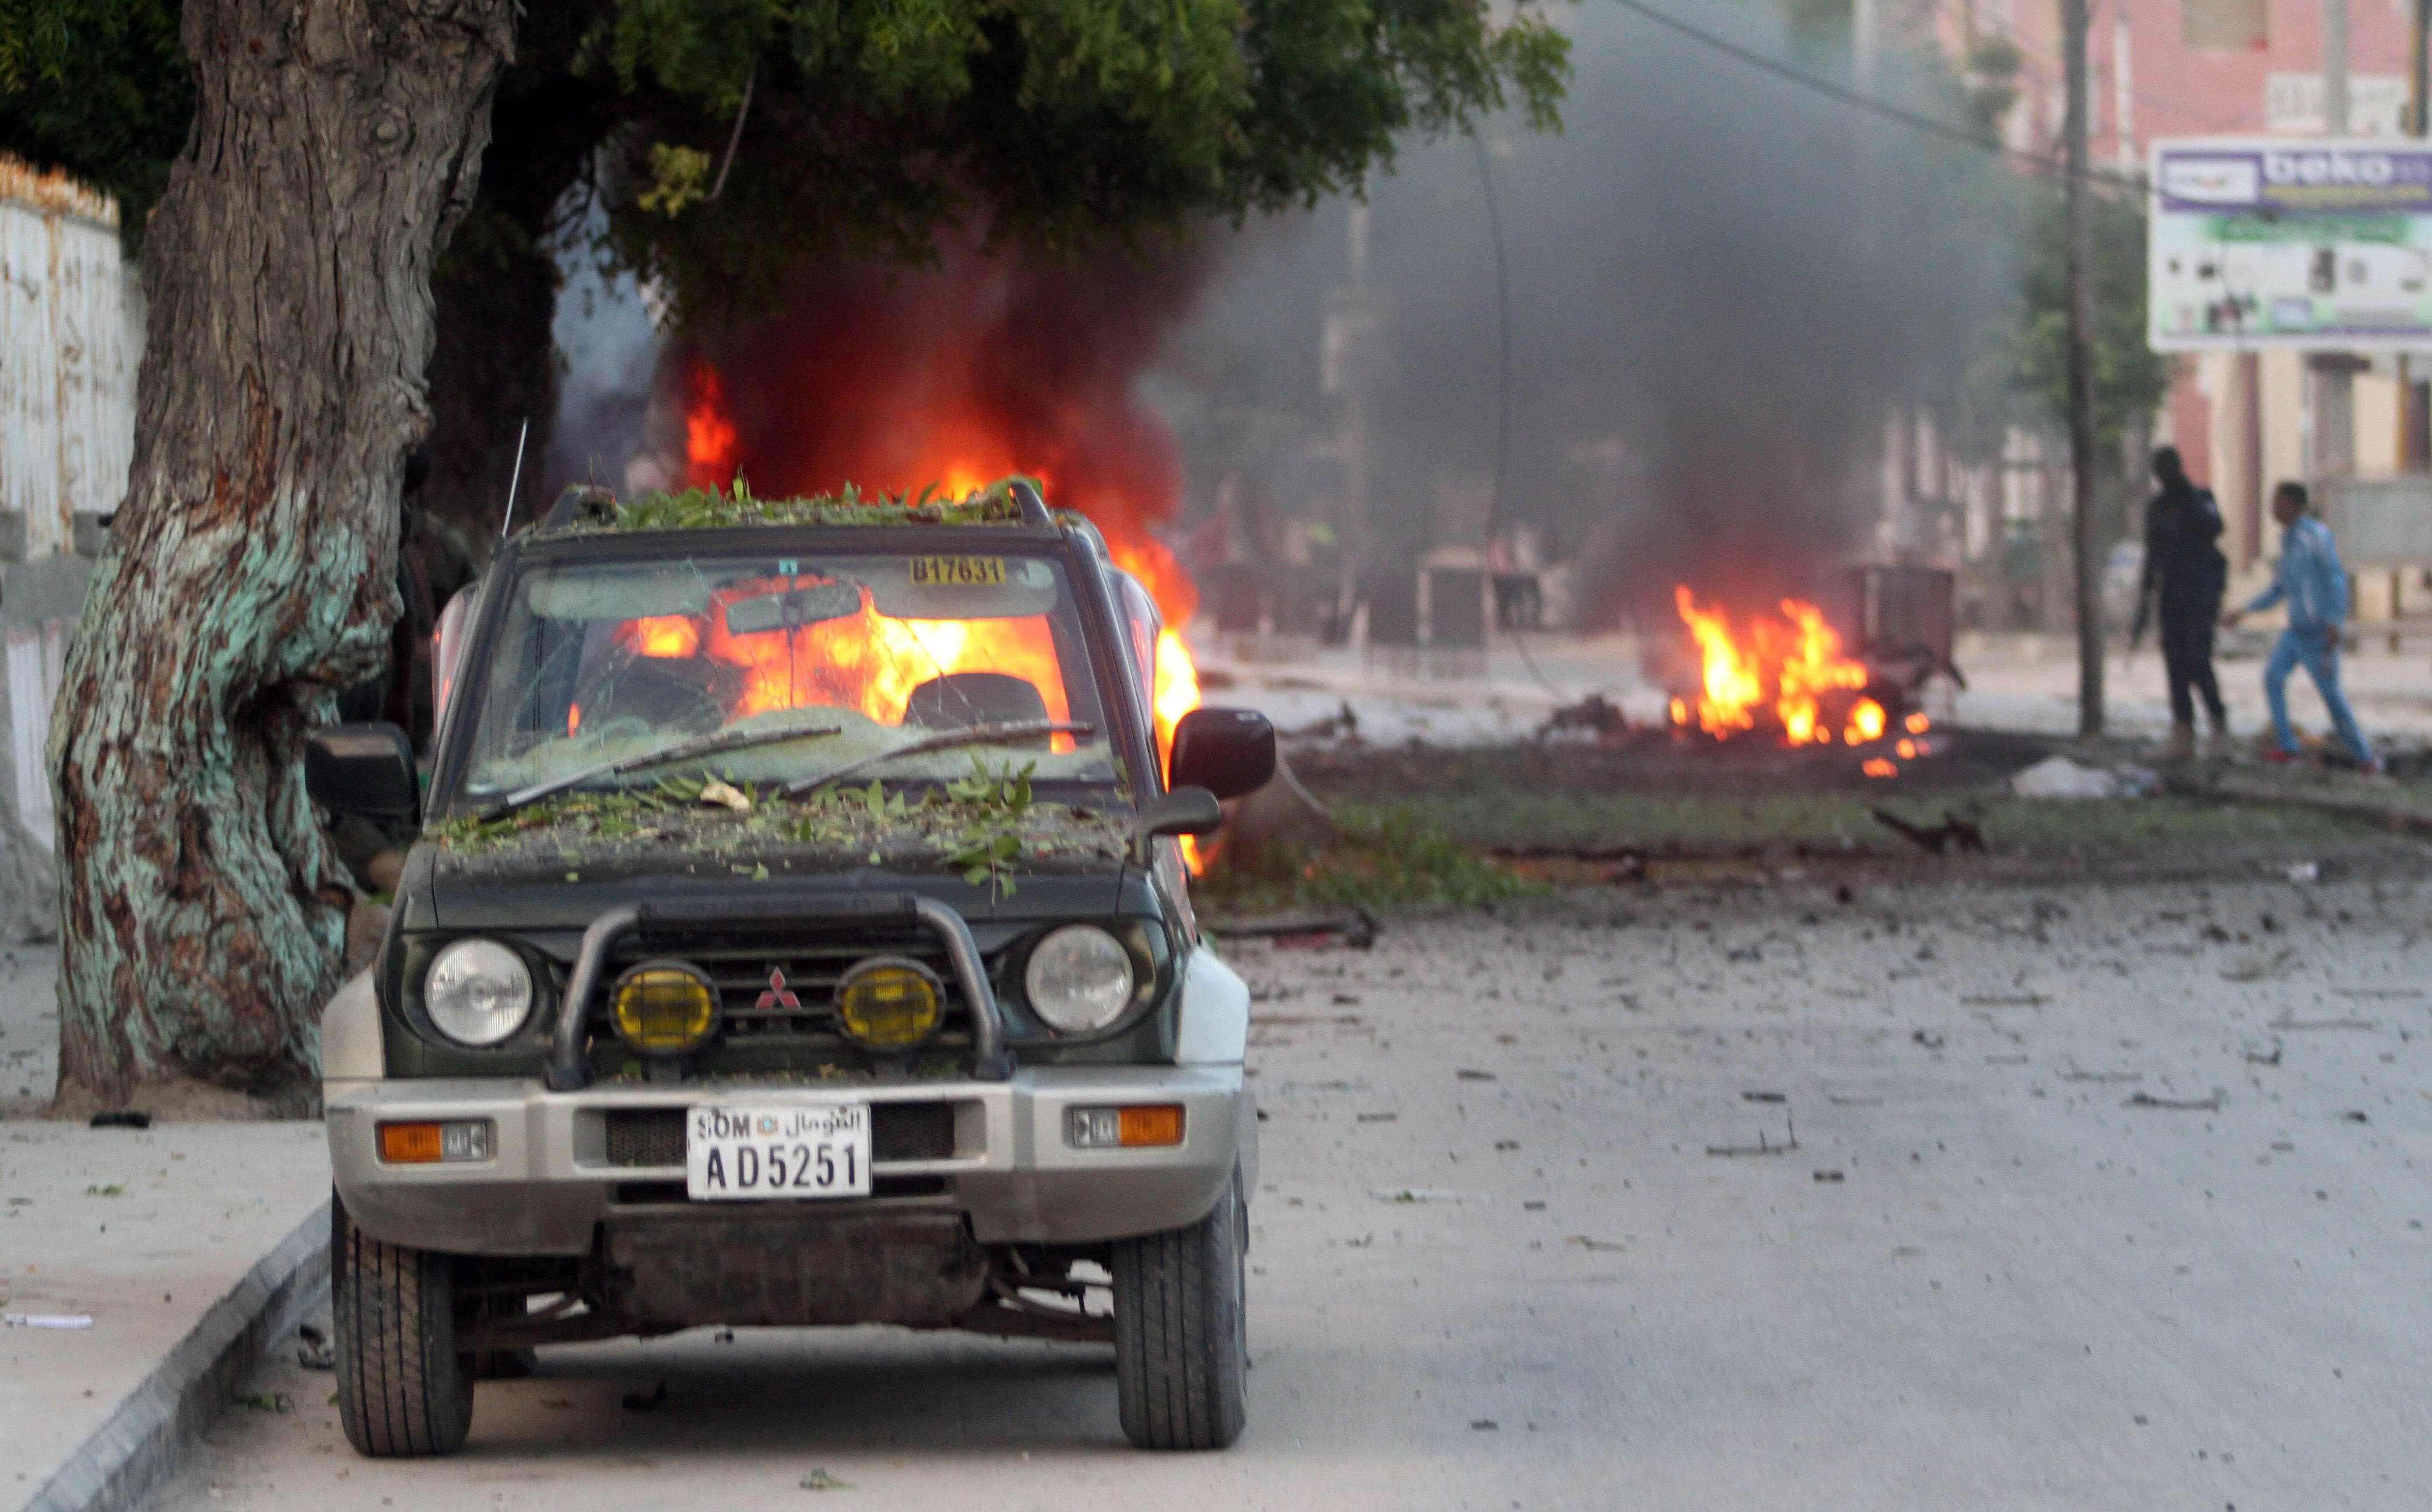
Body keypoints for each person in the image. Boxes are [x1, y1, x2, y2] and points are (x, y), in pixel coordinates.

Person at [2222, 481, 2381, 775]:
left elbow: (2336, 578)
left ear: (2293, 504)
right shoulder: (2288, 542)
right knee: (2273, 677)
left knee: (2332, 696)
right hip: (2296, 632)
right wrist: (2243, 611)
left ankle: (2365, 757)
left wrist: (2335, 620)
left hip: (2320, 634)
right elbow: (2279, 589)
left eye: (2277, 502)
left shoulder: (2315, 537)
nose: (2272, 508)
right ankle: (2288, 747)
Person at [2132, 446, 2230, 760]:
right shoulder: (2157, 507)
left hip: (2202, 590)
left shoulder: (2201, 498)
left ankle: (2218, 726)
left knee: (2198, 656)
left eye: (2169, 469)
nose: (2165, 476)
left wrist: (2189, 504)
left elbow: (2216, 528)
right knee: (2175, 660)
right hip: (2172, 590)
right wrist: (2145, 597)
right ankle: (2183, 731)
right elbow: (2152, 552)